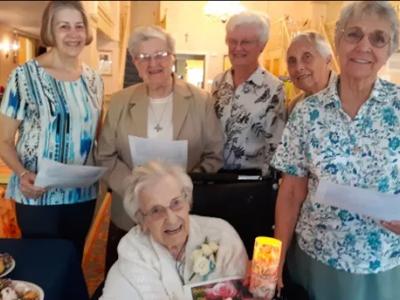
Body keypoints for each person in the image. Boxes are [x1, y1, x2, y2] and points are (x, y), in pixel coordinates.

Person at [271, 2, 400, 299]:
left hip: (384, 263)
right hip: (317, 259)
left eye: (378, 38)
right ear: (338, 40)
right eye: (354, 34)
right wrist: (276, 258)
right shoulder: (307, 112)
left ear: (389, 48)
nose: (364, 47)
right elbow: (291, 192)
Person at [96, 25, 223, 271]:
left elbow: (214, 155)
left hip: (180, 216)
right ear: (135, 62)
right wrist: (137, 191)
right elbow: (105, 156)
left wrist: (180, 190)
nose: (153, 63)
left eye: (160, 54)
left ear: (172, 57)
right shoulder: (122, 101)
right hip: (131, 215)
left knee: (178, 282)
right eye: (143, 57)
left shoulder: (201, 100)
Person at [0, 1, 103, 258]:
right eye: (64, 26)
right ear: (50, 31)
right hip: (37, 194)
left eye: (79, 26)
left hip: (82, 194)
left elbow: (97, 137)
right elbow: (2, 139)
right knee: (41, 265)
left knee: (72, 261)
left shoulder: (93, 79)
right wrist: (22, 174)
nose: (74, 34)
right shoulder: (24, 76)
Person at [99, 160, 248, 299]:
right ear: (142, 220)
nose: (171, 219)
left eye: (176, 203)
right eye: (156, 210)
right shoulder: (134, 253)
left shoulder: (221, 235)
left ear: (188, 201)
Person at [212, 11, 287, 176]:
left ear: (262, 46)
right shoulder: (218, 83)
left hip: (251, 182)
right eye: (233, 41)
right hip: (214, 178)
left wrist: (265, 186)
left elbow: (275, 145)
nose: (237, 48)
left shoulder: (274, 88)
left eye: (245, 42)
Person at [286, 31, 336, 114]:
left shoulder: (353, 97)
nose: (298, 68)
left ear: (328, 60)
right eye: (292, 61)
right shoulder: (294, 108)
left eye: (307, 57)